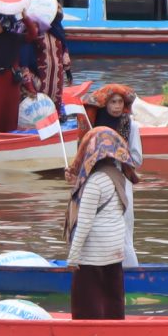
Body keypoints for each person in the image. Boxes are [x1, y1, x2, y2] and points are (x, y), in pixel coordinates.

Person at [65, 85, 142, 320]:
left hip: (116, 183)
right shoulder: (92, 127)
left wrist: (73, 257)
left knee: (87, 295)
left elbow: (85, 221)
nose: (117, 107)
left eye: (121, 102)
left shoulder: (130, 127)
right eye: (113, 102)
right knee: (112, 293)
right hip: (112, 249)